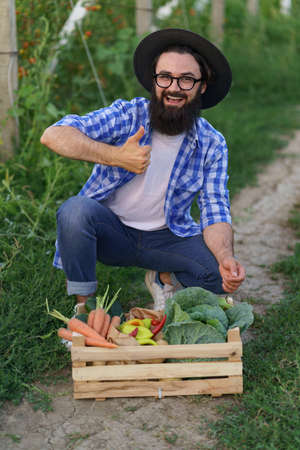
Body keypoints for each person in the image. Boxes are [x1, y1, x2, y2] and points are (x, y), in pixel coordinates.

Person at [41, 28, 245, 310]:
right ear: (154, 81)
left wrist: (225, 257)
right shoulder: (128, 116)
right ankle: (84, 308)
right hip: (111, 233)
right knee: (75, 211)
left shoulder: (212, 143)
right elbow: (54, 134)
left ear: (202, 86)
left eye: (187, 79)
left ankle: (164, 276)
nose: (174, 87)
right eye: (165, 77)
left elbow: (215, 210)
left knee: (216, 278)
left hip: (165, 237)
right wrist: (115, 156)